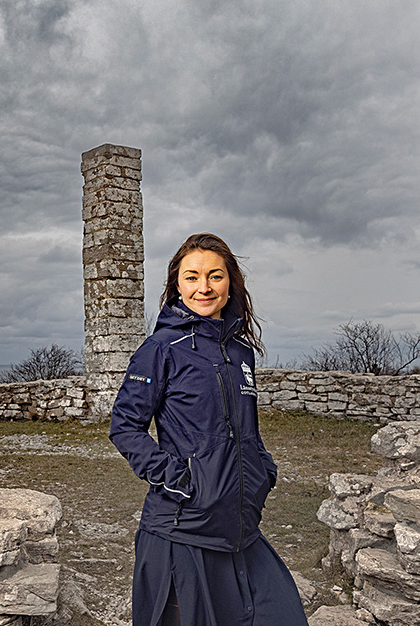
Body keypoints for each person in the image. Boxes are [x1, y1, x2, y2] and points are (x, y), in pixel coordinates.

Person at [110, 233, 307, 626]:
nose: (204, 287)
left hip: (239, 530)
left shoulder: (239, 351)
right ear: (177, 285)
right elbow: (124, 426)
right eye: (192, 277)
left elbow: (244, 426)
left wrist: (261, 471)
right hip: (182, 529)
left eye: (215, 276)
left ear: (230, 281)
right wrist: (182, 480)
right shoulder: (161, 348)